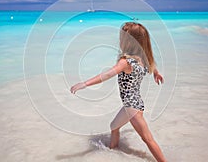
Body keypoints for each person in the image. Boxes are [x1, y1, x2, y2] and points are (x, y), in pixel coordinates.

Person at [70, 22, 167, 162]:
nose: (119, 40)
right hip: (135, 104)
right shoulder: (143, 57)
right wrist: (156, 73)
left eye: (122, 38)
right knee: (114, 127)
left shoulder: (125, 62)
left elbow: (106, 75)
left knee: (147, 139)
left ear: (127, 42)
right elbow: (153, 65)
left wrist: (85, 84)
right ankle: (112, 154)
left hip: (131, 107)